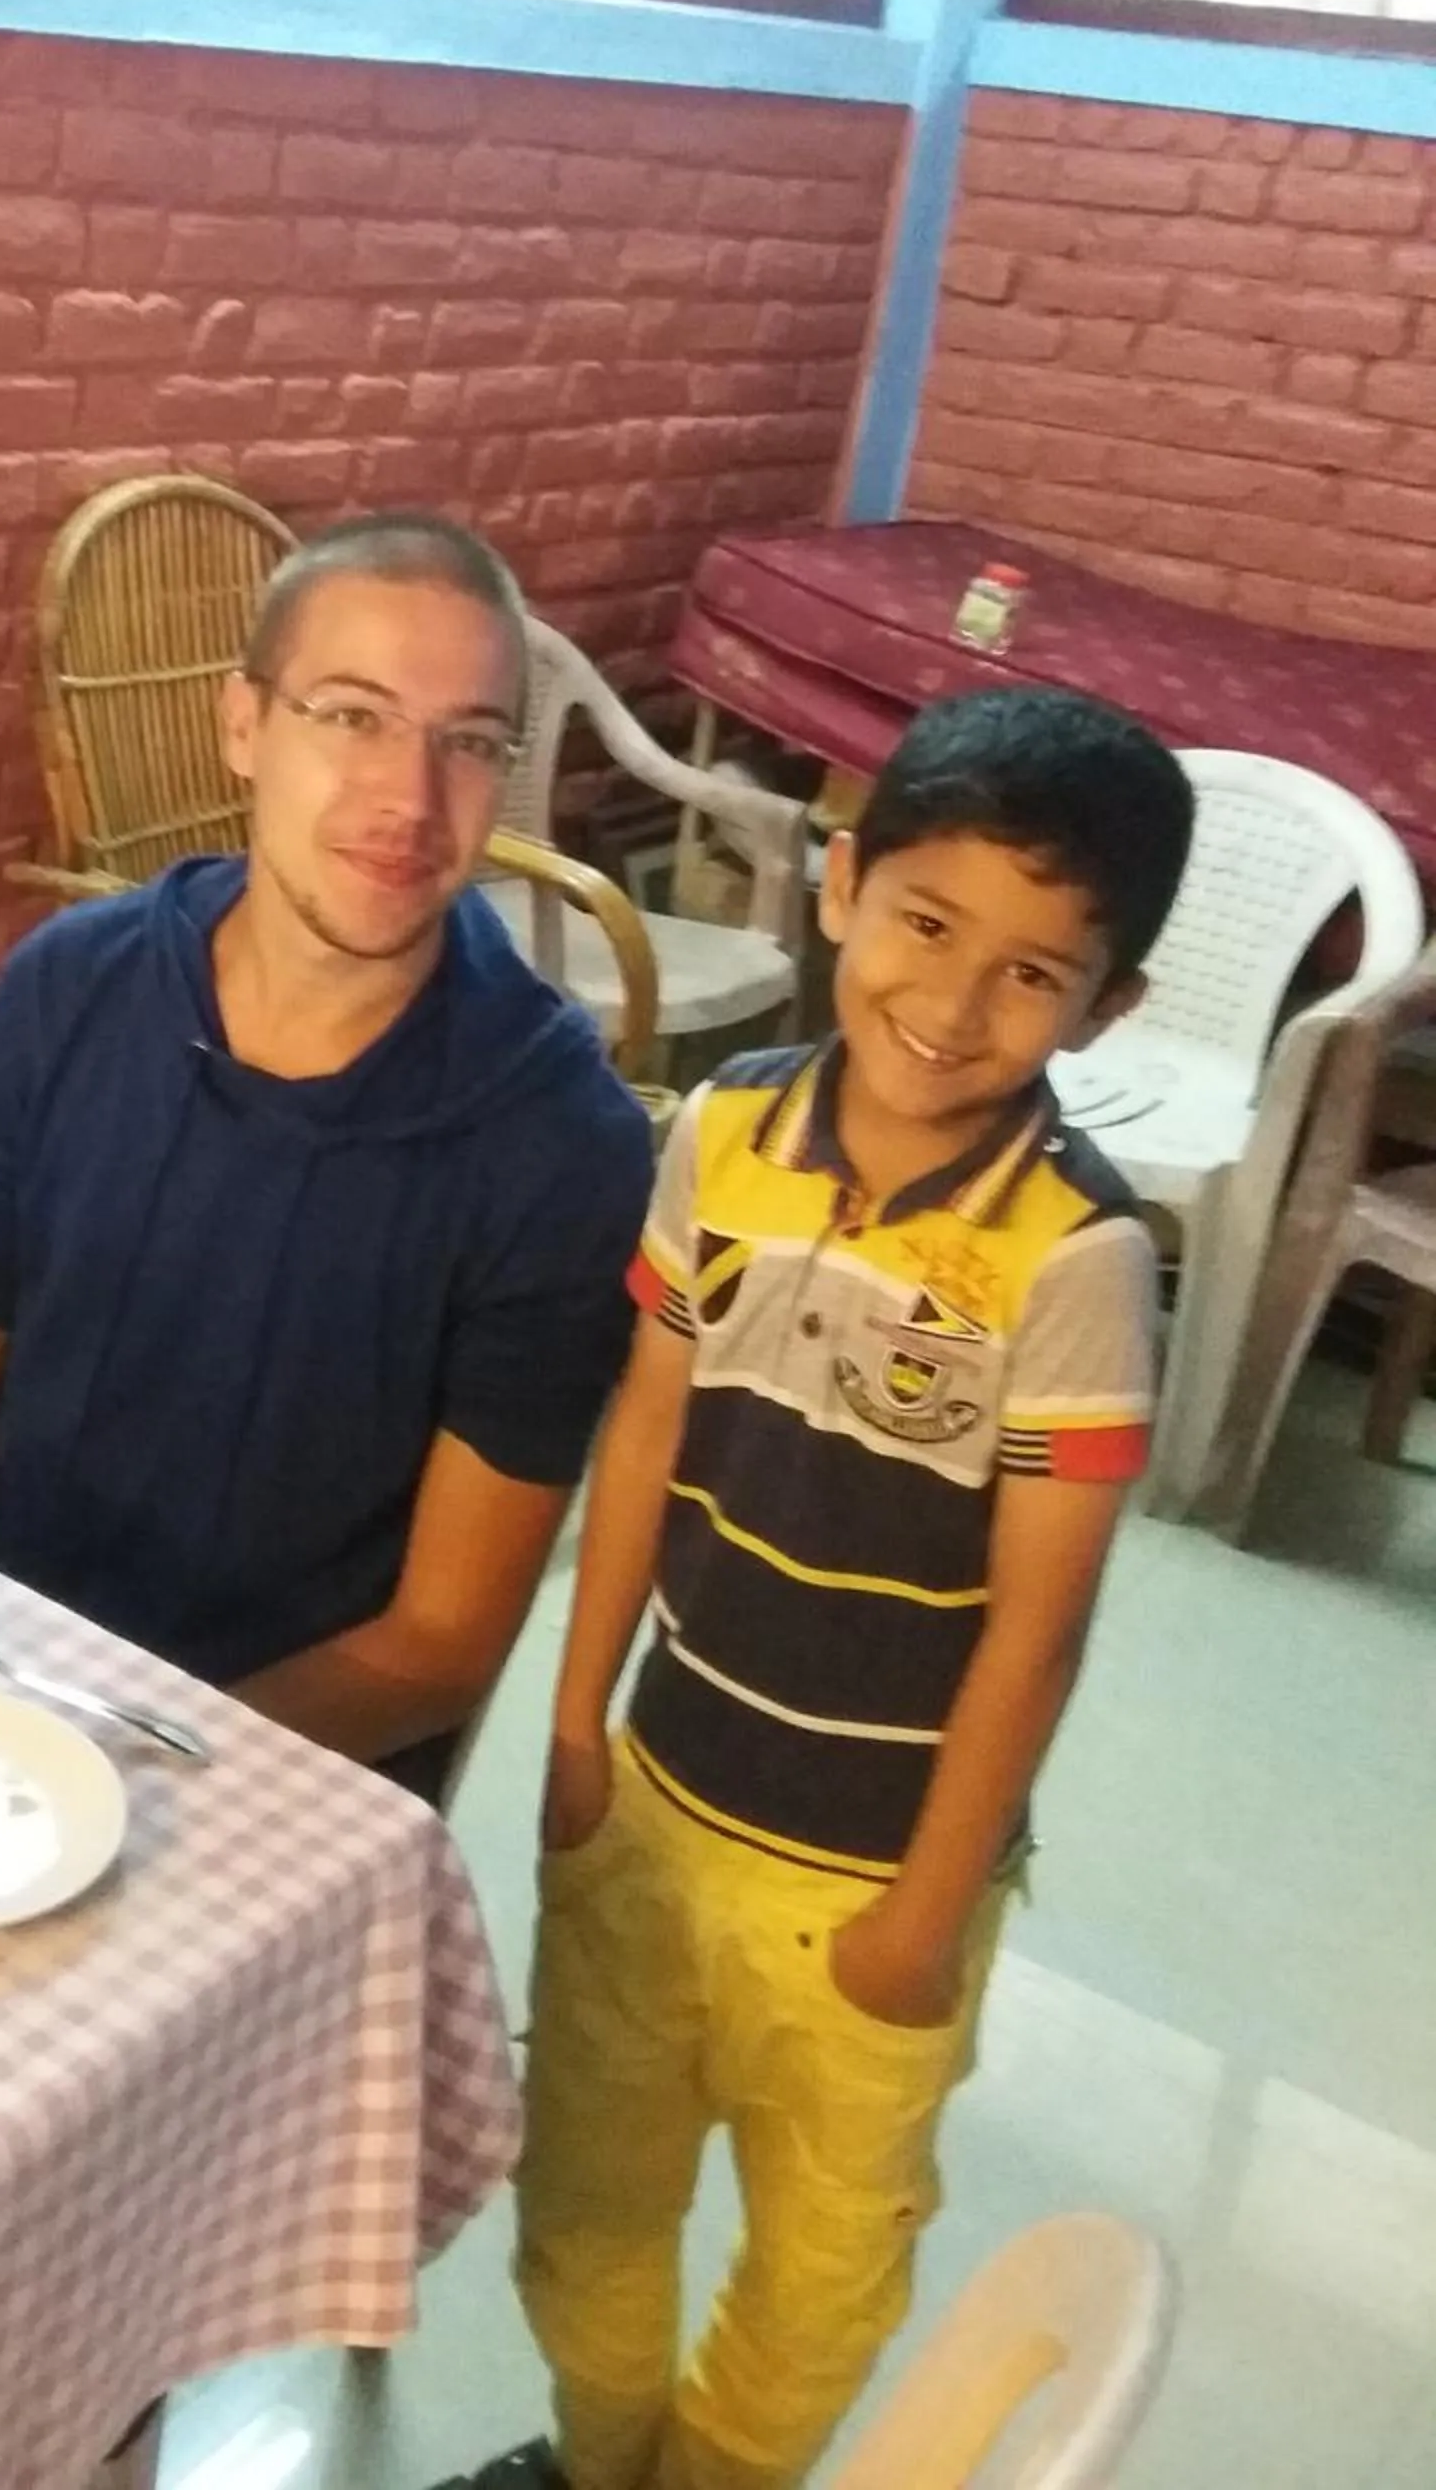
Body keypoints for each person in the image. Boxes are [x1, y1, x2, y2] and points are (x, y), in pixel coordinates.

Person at [445, 686, 1196, 2490]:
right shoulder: (721, 1133)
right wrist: (572, 1719)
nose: (951, 1005)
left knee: (822, 2271)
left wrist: (925, 1915)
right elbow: (644, 1432)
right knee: (586, 2206)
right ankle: (596, 2454)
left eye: (1034, 972)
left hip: (869, 1879)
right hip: (654, 1799)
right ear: (844, 885)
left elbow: (1043, 1618)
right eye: (929, 923)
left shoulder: (1080, 1255)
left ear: (1112, 1006)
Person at [0, 513, 654, 1797]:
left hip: (276, 1775)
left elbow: (441, 1645)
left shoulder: (562, 1144)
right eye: (352, 716)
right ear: (245, 728)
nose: (409, 800)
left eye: (468, 742)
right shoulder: (67, 990)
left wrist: (118, 1774)